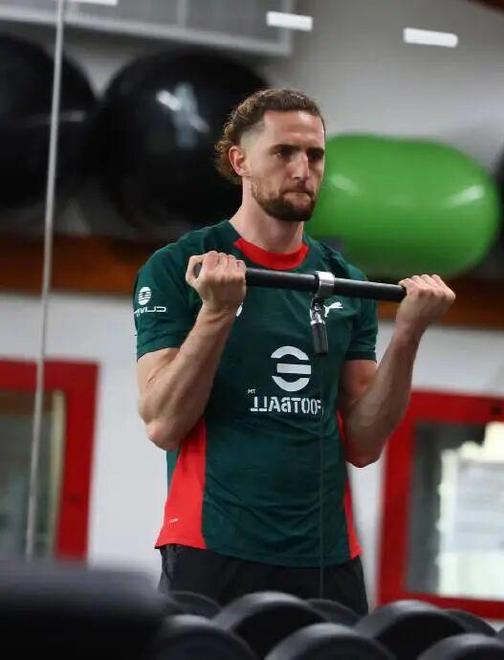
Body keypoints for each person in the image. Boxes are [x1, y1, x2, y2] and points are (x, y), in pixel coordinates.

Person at [132, 88, 455, 615]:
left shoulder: (346, 282)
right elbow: (163, 423)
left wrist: (409, 336)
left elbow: (364, 443)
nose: (303, 169)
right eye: (284, 152)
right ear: (240, 161)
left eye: (314, 155)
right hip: (213, 546)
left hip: (325, 556)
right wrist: (216, 313)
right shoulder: (178, 267)